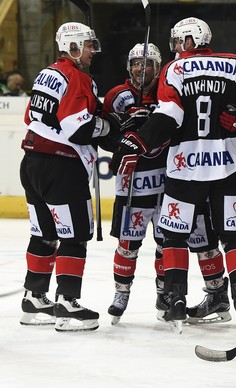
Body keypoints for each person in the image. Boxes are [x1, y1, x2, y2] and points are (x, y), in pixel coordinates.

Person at [114, 17, 236, 333]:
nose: (175, 47)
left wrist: (140, 138)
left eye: (178, 41)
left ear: (189, 42)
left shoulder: (174, 70)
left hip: (185, 166)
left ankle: (175, 299)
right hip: (230, 164)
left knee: (175, 234)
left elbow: (170, 115)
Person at [19, 22, 136, 331]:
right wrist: (110, 126)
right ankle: (67, 304)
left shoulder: (49, 73)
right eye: (87, 46)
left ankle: (34, 299)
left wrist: (100, 114)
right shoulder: (76, 76)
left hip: (31, 164)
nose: (92, 52)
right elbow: (78, 128)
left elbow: (30, 115)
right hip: (62, 168)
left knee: (44, 233)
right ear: (71, 47)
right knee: (75, 236)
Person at [102, 42, 168, 325]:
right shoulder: (118, 95)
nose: (141, 68)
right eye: (136, 64)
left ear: (157, 66)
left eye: (147, 63)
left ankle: (165, 293)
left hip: (166, 179)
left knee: (166, 243)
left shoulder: (168, 91)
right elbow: (104, 136)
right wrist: (123, 127)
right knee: (128, 243)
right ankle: (121, 292)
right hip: (132, 182)